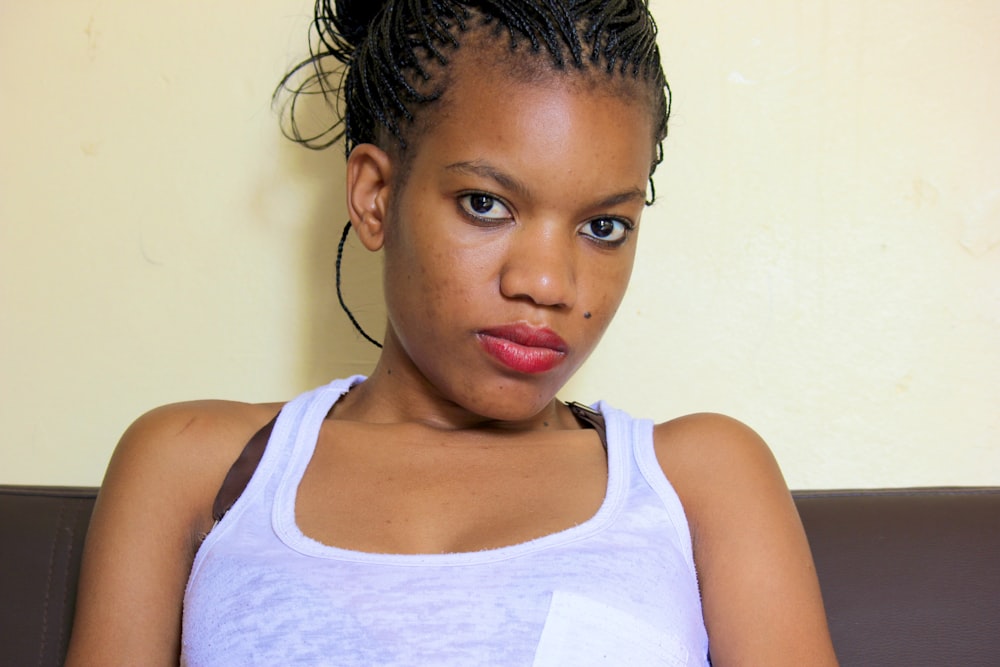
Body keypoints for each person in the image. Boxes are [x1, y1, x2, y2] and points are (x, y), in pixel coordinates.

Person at [66, 1, 838, 665]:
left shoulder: (701, 482)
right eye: (486, 204)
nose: (547, 282)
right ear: (374, 196)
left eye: (604, 225)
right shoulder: (191, 468)